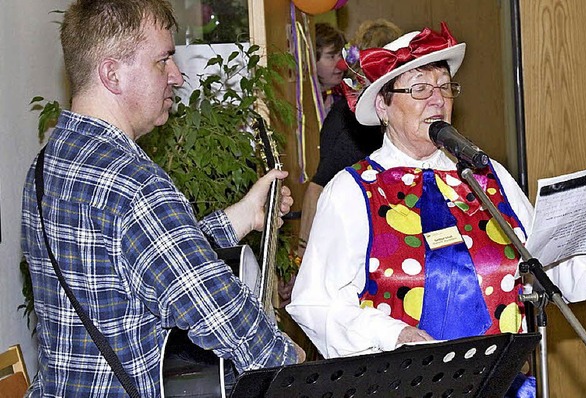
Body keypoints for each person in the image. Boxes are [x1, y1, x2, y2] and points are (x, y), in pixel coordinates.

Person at [287, 21, 586, 377]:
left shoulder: (487, 175)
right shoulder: (352, 190)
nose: (437, 99)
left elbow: (547, 273)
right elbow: (315, 303)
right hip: (407, 384)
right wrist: (393, 335)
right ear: (383, 107)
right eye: (419, 88)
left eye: (444, 87)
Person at [21, 1, 303, 396]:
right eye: (163, 60)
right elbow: (222, 314)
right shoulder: (132, 182)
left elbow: (136, 263)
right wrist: (295, 367)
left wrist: (241, 217)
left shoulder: (47, 165)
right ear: (112, 74)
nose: (176, 75)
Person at [281, 20, 403, 306]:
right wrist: (301, 261)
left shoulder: (374, 112)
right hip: (349, 249)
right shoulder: (353, 116)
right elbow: (317, 188)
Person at [315, 22, 347, 112]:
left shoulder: (344, 99)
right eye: (331, 56)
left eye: (341, 55)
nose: (341, 64)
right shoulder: (300, 101)